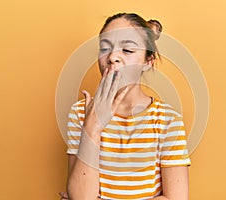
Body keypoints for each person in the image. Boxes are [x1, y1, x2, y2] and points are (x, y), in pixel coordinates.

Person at [60, 13, 191, 200]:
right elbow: (81, 196)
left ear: (148, 62)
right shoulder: (81, 113)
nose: (112, 57)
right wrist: (93, 125)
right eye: (105, 48)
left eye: (127, 50)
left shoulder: (168, 121)